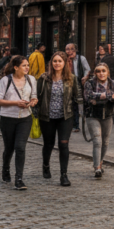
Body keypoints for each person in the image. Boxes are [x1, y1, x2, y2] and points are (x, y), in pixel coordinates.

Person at [36, 52, 83, 186]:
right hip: (47, 116)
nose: (57, 64)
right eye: (55, 61)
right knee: (49, 144)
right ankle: (46, 165)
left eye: (60, 61)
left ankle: (64, 175)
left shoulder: (71, 78)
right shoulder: (44, 78)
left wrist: (84, 111)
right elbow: (37, 96)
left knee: (63, 144)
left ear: (65, 63)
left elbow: (77, 95)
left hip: (65, 116)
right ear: (51, 63)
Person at [0, 56, 38, 189]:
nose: (27, 68)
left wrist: (32, 102)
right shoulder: (5, 80)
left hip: (25, 118)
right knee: (9, 148)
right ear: (16, 67)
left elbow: (34, 97)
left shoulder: (31, 80)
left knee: (20, 147)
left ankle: (19, 178)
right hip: (8, 118)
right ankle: (5, 168)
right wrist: (16, 103)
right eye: (24, 65)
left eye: (28, 65)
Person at [83, 62, 114, 178]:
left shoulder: (113, 83)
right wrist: (106, 96)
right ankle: (97, 168)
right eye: (98, 71)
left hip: (107, 115)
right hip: (92, 115)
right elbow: (88, 97)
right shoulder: (89, 83)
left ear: (107, 72)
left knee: (105, 142)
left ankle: (101, 161)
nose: (101, 73)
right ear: (95, 73)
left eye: (103, 71)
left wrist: (97, 97)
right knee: (97, 141)